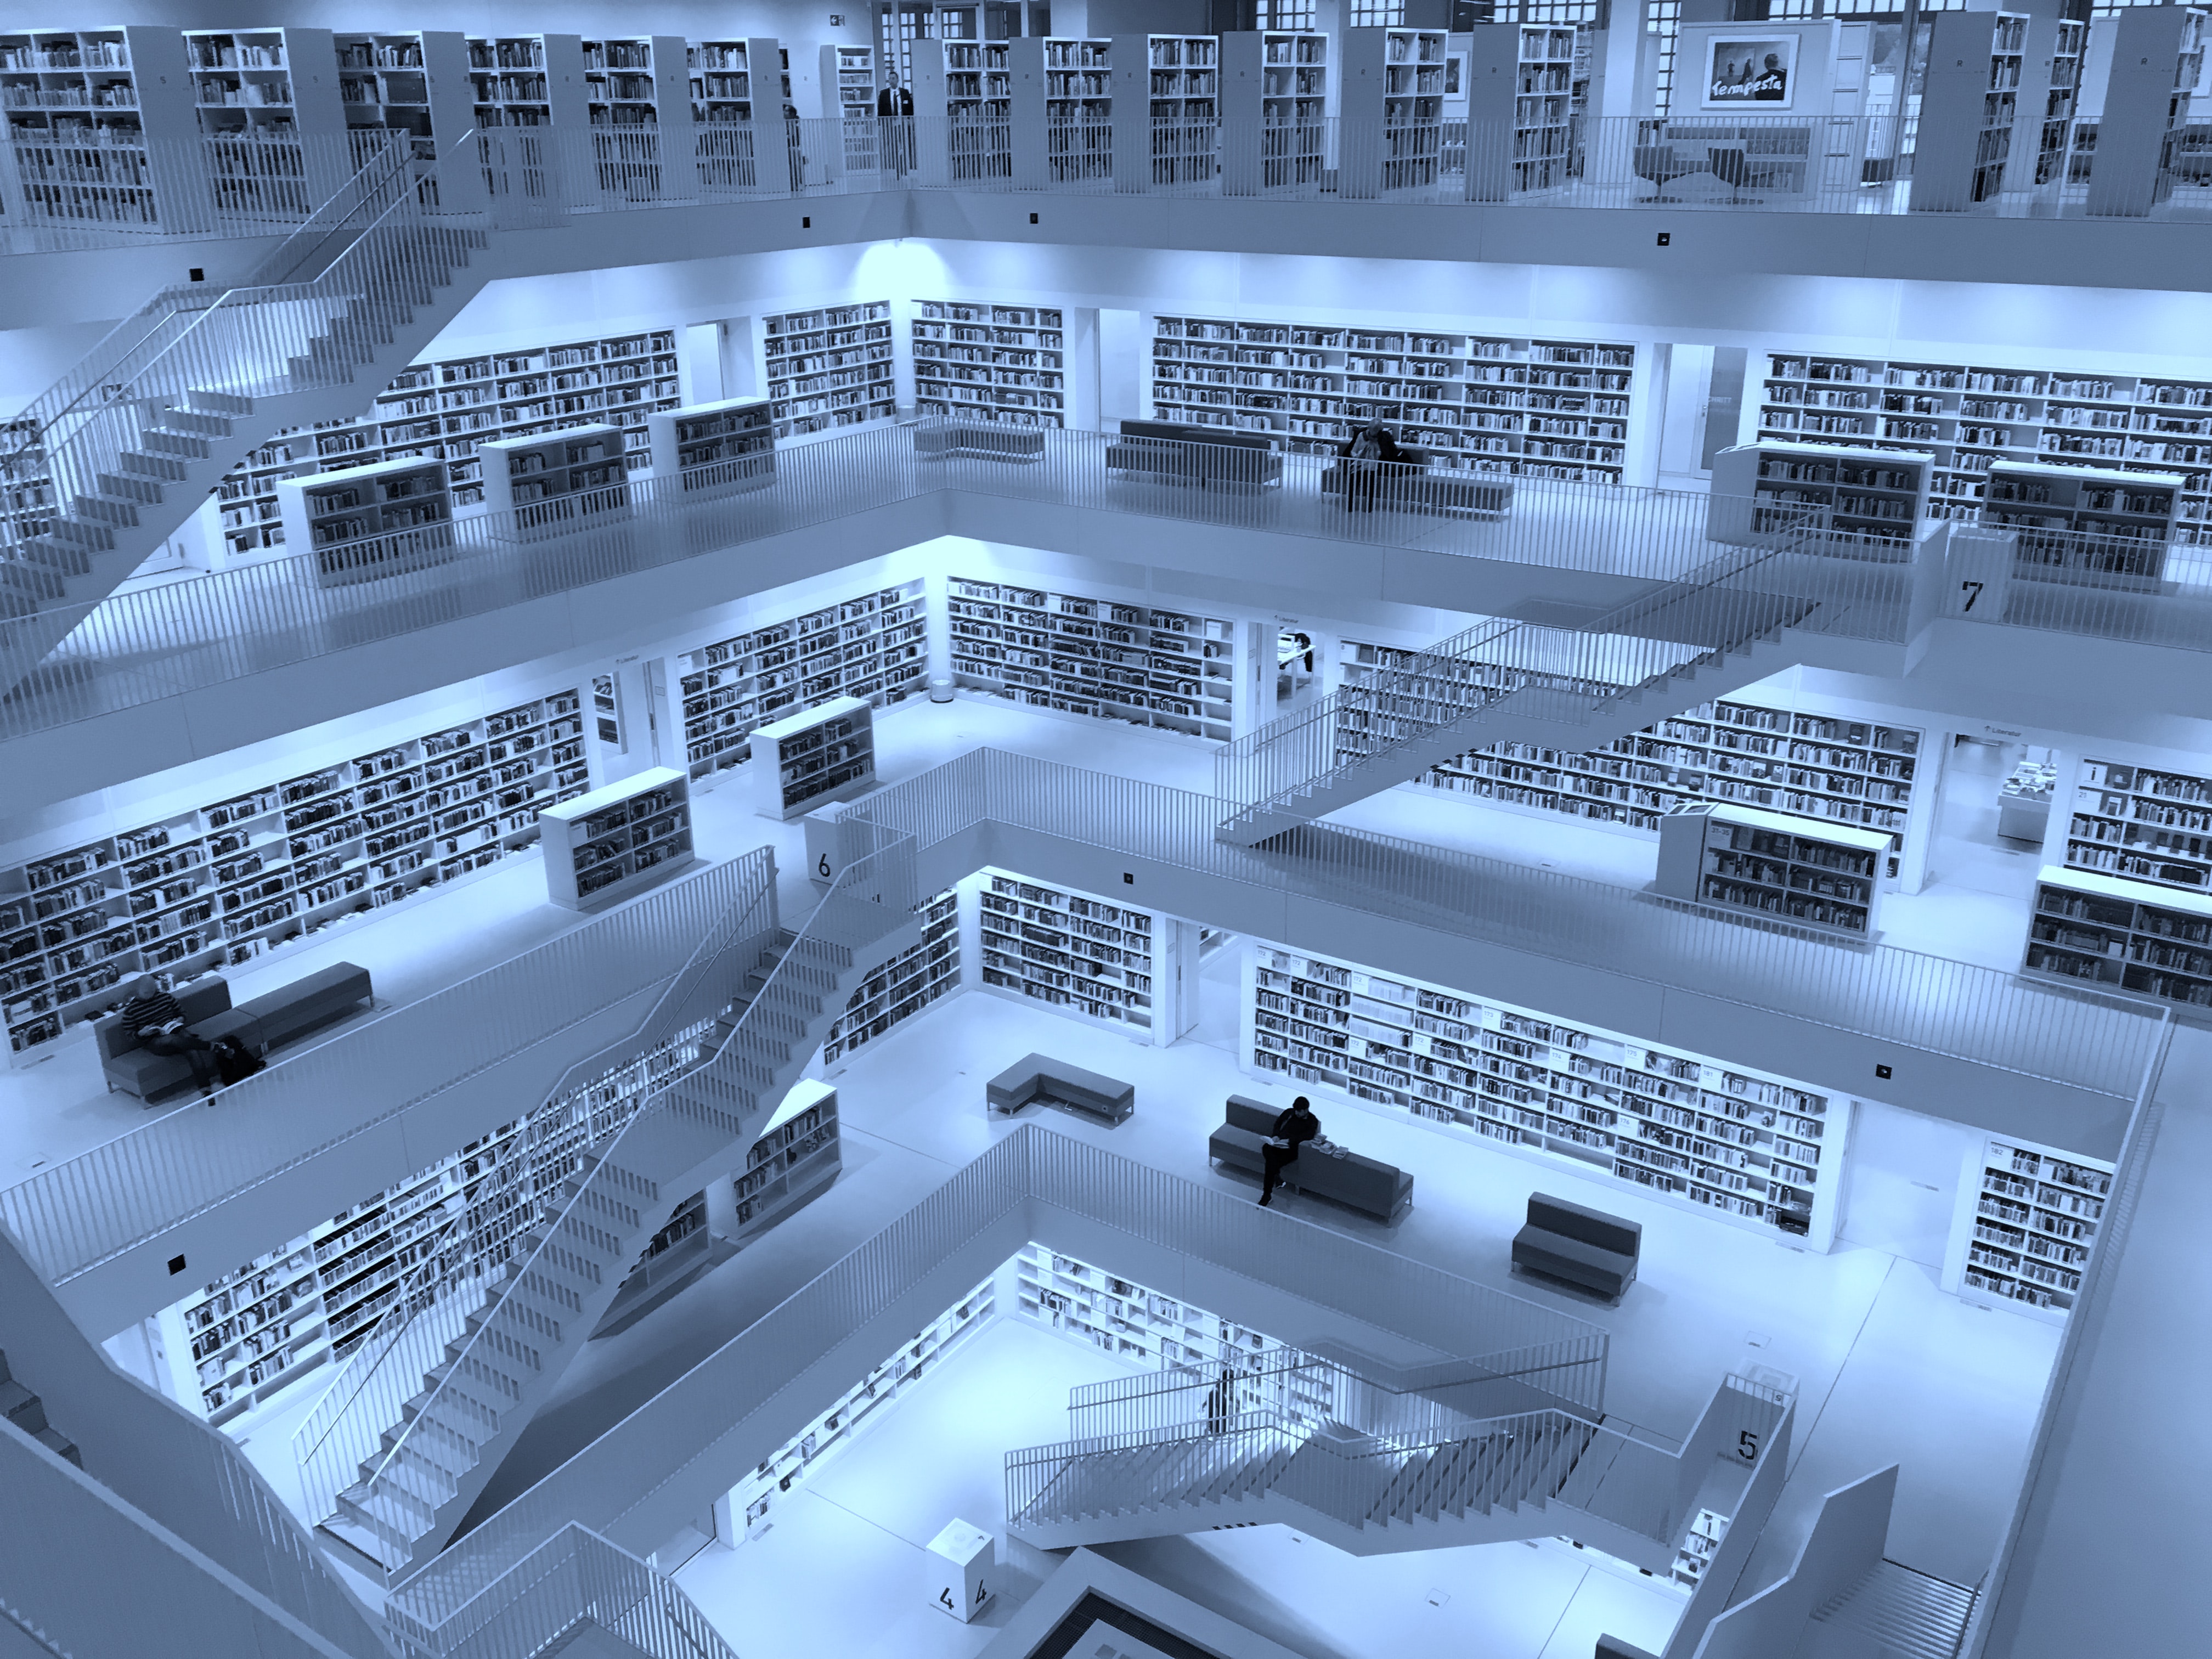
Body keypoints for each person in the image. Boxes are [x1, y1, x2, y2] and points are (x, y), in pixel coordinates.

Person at [117, 974, 216, 1097]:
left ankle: (205, 1089)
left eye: (153, 992)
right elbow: (131, 1037)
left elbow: (182, 1013)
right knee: (175, 1039)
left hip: (175, 1030)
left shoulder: (165, 997)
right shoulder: (130, 1011)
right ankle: (209, 1046)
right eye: (146, 993)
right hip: (154, 1041)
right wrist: (142, 1033)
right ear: (137, 991)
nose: (150, 996)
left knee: (191, 1050)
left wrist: (179, 1020)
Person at [1259, 1094, 1321, 1206]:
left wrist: (1290, 1141)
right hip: (1278, 1144)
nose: (1296, 1113)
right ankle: (1276, 1178)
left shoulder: (1312, 1121)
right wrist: (1276, 1136)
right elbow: (1278, 1124)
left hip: (1291, 1150)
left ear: (1306, 1110)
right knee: (1266, 1149)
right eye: (1296, 1110)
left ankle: (1267, 1194)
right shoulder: (1289, 1113)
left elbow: (1308, 1136)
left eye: (1299, 1111)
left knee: (1271, 1164)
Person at [1339, 418, 1410, 512]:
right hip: (1358, 464)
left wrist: (1378, 454)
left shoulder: (1384, 437)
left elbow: (1388, 452)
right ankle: (1350, 506)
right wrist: (1359, 456)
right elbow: (1352, 450)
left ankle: (1368, 507)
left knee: (1370, 485)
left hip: (1373, 466)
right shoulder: (1361, 435)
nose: (1373, 435)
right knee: (1354, 483)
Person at [876, 71, 915, 177]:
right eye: (890, 78)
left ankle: (905, 168)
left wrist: (910, 120)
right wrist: (881, 124)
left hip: (903, 123)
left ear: (897, 80)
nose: (891, 80)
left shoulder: (905, 93)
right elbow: (880, 110)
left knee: (906, 146)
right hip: (890, 124)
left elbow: (911, 108)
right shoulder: (883, 94)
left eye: (893, 78)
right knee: (893, 147)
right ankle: (897, 169)